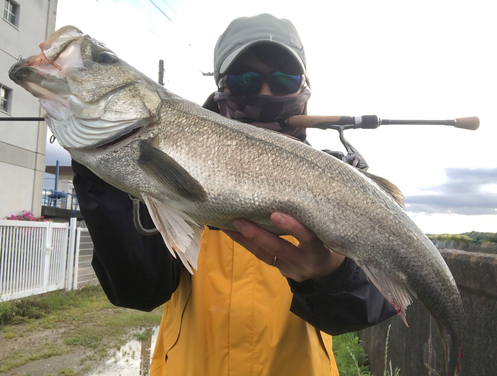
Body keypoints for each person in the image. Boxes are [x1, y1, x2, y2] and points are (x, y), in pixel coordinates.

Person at [72, 13, 396, 376]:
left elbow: (362, 309)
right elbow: (140, 290)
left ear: (304, 86)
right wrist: (104, 159)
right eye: (244, 80)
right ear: (221, 86)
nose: (265, 93)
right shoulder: (167, 170)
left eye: (284, 79)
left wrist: (332, 274)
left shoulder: (338, 179)